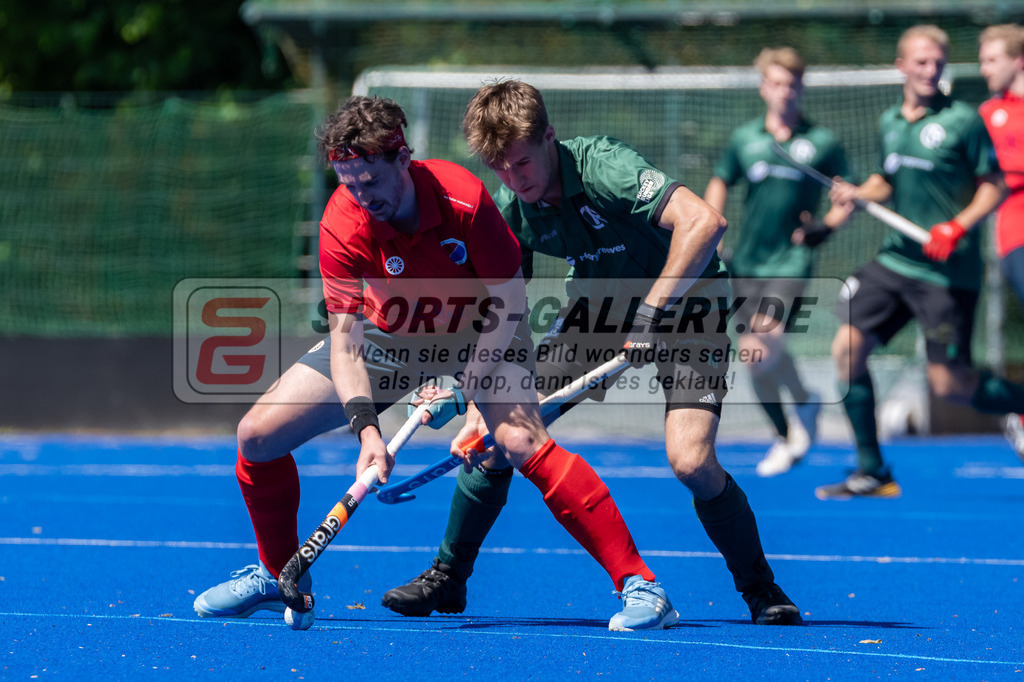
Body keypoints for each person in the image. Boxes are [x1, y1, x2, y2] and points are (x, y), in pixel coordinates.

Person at [192, 95, 681, 632]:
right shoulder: (340, 220)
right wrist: (367, 432)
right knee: (257, 434)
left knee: (520, 443)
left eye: (370, 181)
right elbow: (346, 341)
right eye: (348, 183)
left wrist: (469, 383)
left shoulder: (463, 199)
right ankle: (279, 574)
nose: (361, 196)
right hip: (390, 333)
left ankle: (642, 586)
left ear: (403, 158)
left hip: (483, 326)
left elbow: (510, 301)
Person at [382, 80, 804, 626]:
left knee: (692, 462)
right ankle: (448, 579)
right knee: (500, 439)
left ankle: (760, 589)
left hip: (689, 306)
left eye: (522, 163)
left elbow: (706, 224)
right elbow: (503, 314)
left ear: (550, 139)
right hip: (596, 316)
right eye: (499, 169)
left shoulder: (604, 167)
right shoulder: (513, 210)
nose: (514, 180)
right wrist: (476, 393)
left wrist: (652, 313)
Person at [816, 25, 1024, 499]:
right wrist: (857, 193)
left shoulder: (964, 121)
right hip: (897, 260)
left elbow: (993, 185)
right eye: (922, 62)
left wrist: (956, 227)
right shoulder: (891, 120)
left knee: (950, 385)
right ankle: (872, 470)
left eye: (939, 63)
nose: (931, 71)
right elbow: (886, 180)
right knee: (846, 350)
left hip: (947, 271)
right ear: (902, 66)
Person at [704, 46, 852, 477]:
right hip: (746, 262)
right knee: (754, 356)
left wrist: (827, 224)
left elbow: (847, 195)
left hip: (790, 260)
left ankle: (800, 413)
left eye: (793, 84)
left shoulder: (821, 143)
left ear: (801, 87)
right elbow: (719, 180)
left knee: (764, 338)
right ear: (764, 87)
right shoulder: (745, 139)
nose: (785, 92)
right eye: (777, 83)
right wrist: (712, 229)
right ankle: (790, 425)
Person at [978, 24, 1024, 462]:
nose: (983, 68)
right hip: (1018, 237)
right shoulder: (988, 112)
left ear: (1019, 60)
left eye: (992, 59)